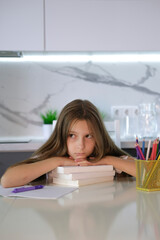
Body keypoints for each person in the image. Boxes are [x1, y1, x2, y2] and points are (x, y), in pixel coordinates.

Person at [1, 99, 136, 188]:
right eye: (72, 136)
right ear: (61, 135)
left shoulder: (106, 157)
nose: (80, 145)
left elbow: (153, 175)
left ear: (99, 137)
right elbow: (7, 181)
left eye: (88, 136)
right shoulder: (52, 158)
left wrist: (106, 160)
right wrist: (57, 161)